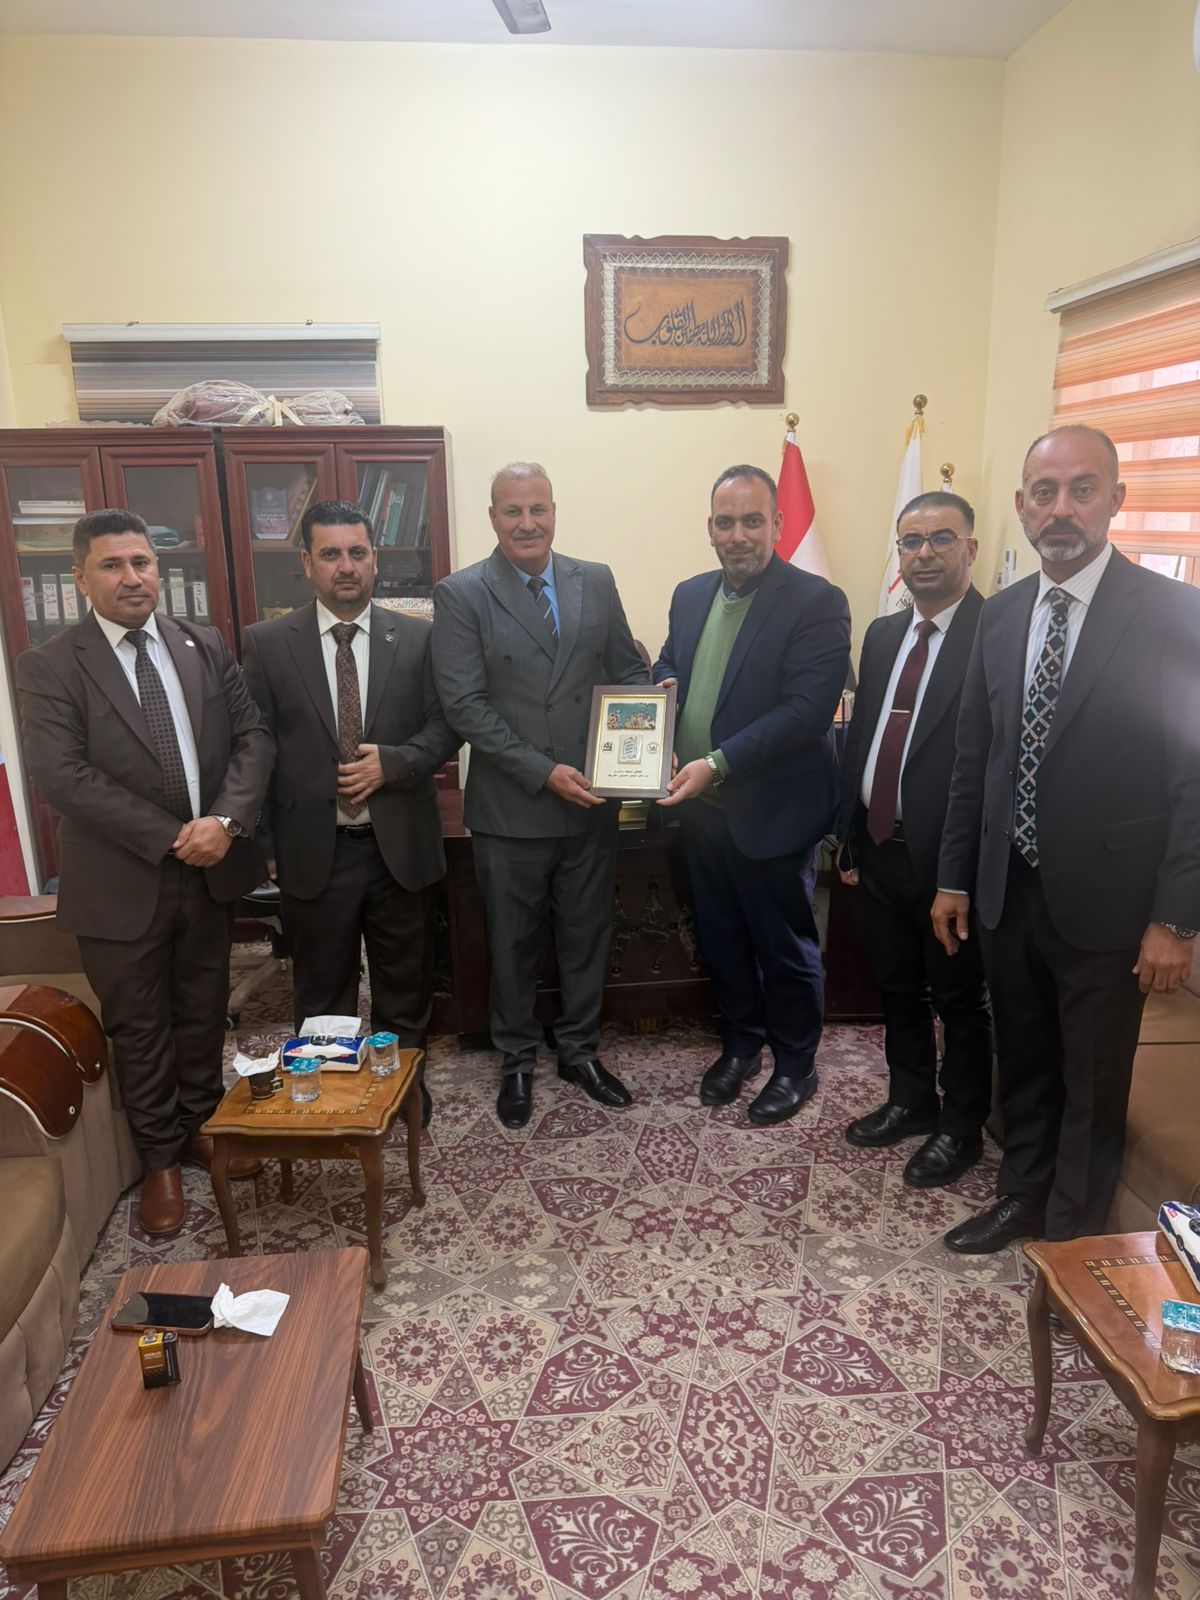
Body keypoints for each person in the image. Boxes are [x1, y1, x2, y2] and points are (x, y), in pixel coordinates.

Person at [933, 426, 1200, 1251]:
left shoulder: (1174, 614)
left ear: (1116, 499)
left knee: (1093, 1077)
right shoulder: (1000, 614)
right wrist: (954, 877)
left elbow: (1193, 779)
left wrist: (1176, 918)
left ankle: (1073, 1243)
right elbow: (975, 759)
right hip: (1008, 890)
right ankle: (1022, 1196)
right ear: (1021, 506)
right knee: (1024, 1058)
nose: (1061, 509)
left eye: (1082, 489)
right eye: (1044, 493)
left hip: (1112, 902)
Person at [17, 509, 273, 1236]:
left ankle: (200, 1127)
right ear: (80, 578)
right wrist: (172, 837)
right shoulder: (50, 665)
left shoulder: (202, 643)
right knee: (139, 1025)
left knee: (203, 1009)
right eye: (112, 565)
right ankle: (159, 1158)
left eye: (142, 562)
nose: (131, 578)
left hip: (210, 869)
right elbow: (62, 776)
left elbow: (253, 737)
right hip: (119, 882)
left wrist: (224, 822)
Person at [431, 462, 647, 1129]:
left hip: (591, 801)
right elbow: (465, 706)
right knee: (513, 944)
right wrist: (543, 770)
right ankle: (517, 1060)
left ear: (554, 510)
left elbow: (627, 669)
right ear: (493, 518)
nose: (527, 523)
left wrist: (649, 720)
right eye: (512, 511)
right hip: (512, 806)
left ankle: (580, 1051)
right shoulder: (461, 593)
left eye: (538, 509)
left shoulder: (596, 579)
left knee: (587, 936)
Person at [241, 500, 457, 1122]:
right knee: (322, 990)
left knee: (404, 984)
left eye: (357, 553)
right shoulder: (266, 644)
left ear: (375, 559)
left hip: (399, 847)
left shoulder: (418, 636)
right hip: (314, 850)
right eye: (331, 554)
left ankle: (403, 1088)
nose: (346, 566)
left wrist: (395, 763)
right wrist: (264, 846)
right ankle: (333, 1102)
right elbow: (254, 746)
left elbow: (446, 727)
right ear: (307, 562)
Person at [656, 464, 851, 1124]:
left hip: (774, 811)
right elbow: (669, 663)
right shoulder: (690, 594)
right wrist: (659, 698)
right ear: (709, 528)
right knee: (723, 938)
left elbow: (806, 710)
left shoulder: (816, 601)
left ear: (777, 523)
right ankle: (741, 1046)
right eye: (725, 522)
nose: (737, 535)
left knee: (784, 946)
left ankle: (796, 1064)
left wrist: (717, 762)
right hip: (703, 814)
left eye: (751, 521)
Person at [836, 491, 991, 1185]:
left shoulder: (994, 633)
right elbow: (863, 738)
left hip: (948, 861)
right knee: (896, 987)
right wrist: (850, 836)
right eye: (911, 541)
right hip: (880, 847)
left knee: (957, 1000)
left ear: (970, 548)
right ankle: (910, 1101)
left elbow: (987, 763)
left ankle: (961, 1128)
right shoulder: (882, 634)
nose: (924, 553)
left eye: (941, 539)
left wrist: (959, 872)